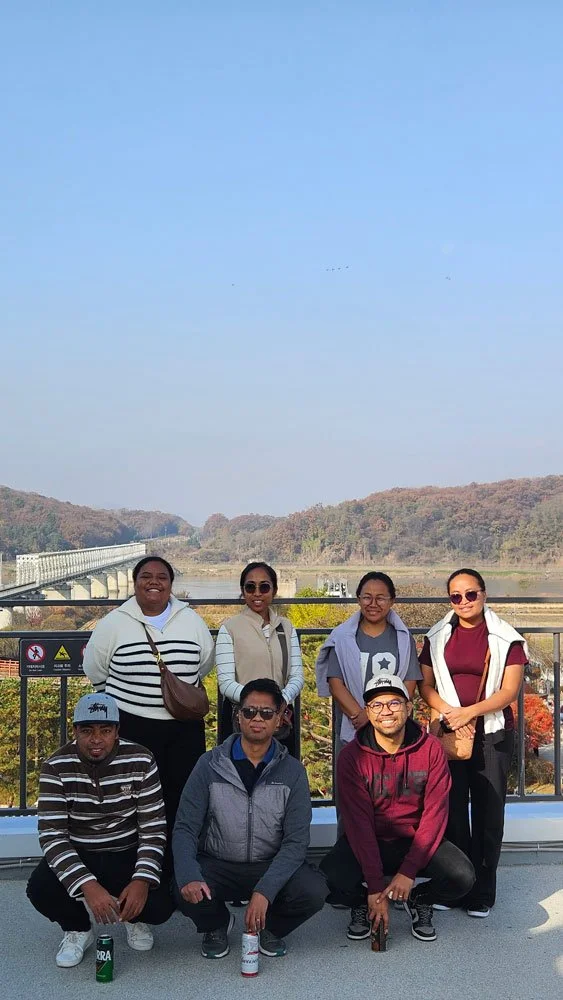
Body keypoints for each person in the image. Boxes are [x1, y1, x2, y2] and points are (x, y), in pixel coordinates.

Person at [172, 678, 326, 959]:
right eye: (249, 712)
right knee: (183, 885)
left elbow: (296, 841)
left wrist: (265, 891)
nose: (257, 719)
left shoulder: (292, 771)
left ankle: (271, 928)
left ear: (280, 719)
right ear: (238, 716)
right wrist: (189, 876)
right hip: (218, 862)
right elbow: (185, 827)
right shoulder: (209, 764)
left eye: (267, 713)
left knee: (313, 890)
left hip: (269, 862)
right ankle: (216, 924)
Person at [320, 673, 475, 945]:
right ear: (368, 712)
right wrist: (375, 889)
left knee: (463, 877)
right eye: (377, 706)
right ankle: (361, 903)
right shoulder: (351, 757)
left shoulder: (431, 750)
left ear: (409, 707)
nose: (386, 712)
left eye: (394, 703)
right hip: (371, 840)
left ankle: (419, 899)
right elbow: (358, 823)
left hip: (416, 839)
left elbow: (434, 815)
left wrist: (409, 873)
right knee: (327, 878)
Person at [26, 693, 174, 968]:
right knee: (39, 888)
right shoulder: (55, 766)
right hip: (82, 851)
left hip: (126, 852)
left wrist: (141, 880)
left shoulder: (141, 759)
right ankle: (79, 928)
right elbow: (52, 835)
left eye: (105, 731)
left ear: (117, 732)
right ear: (75, 732)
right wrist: (88, 886)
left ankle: (132, 917)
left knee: (163, 903)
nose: (96, 740)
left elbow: (153, 826)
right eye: (87, 731)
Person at [83, 556, 214, 851]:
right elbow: (94, 669)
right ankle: (137, 865)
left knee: (182, 795)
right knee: (134, 797)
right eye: (146, 576)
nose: (154, 582)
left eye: (162, 577)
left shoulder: (191, 619)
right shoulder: (114, 623)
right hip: (133, 725)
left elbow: (205, 662)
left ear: (170, 584)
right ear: (135, 582)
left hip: (184, 726)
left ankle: (176, 866)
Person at [418, 568, 527, 918]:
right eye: (455, 596)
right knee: (449, 810)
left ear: (483, 594)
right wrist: (451, 712)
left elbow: (509, 691)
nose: (464, 601)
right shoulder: (437, 636)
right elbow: (424, 685)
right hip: (450, 734)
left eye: (471, 594)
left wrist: (471, 712)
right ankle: (455, 886)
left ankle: (482, 892)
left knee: (488, 812)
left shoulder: (505, 638)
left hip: (492, 733)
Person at [316, 572, 422, 753]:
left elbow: (409, 682)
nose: (373, 604)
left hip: (392, 725)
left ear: (391, 601)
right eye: (367, 597)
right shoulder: (342, 638)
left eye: (380, 598)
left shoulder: (403, 639)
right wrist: (362, 716)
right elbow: (335, 683)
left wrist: (380, 714)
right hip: (354, 723)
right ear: (358, 599)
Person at [215, 562, 304, 755]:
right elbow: (226, 683)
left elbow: (296, 676)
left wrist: (280, 703)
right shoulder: (230, 629)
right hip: (242, 718)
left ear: (274, 590)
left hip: (279, 719)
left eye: (264, 587)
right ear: (243, 591)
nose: (257, 593)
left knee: (280, 776)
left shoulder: (286, 628)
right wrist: (257, 706)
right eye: (250, 587)